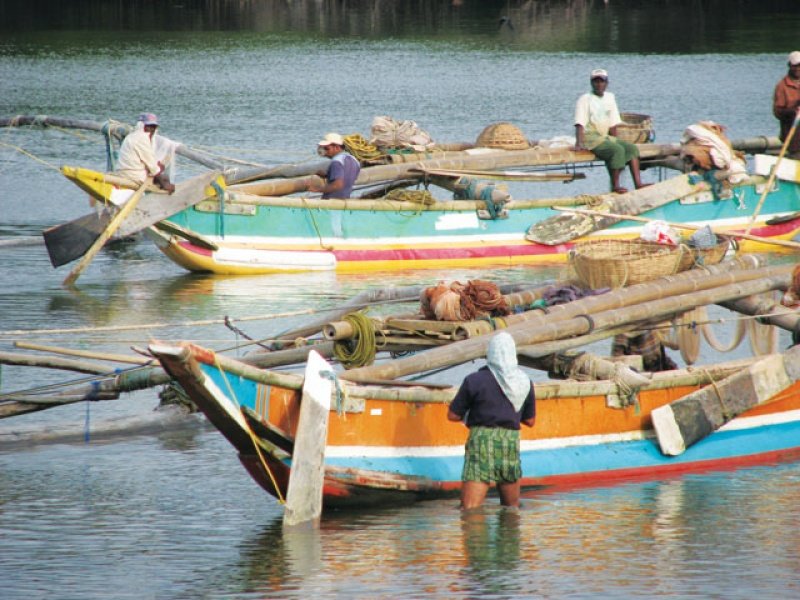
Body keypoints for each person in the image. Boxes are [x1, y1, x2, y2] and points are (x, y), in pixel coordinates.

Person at [447, 332, 536, 509]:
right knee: (511, 509)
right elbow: (530, 420)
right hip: (509, 444)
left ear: (490, 354)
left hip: (482, 444)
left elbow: (452, 415)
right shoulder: (525, 382)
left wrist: (470, 415)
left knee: (470, 510)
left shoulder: (474, 380)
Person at [574, 68, 648, 194]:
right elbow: (579, 123)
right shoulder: (585, 99)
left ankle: (638, 183)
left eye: (602, 81)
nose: (599, 84)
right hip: (590, 137)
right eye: (596, 82)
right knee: (616, 150)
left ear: (606, 83)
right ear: (591, 83)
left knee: (631, 148)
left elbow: (613, 123)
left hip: (604, 136)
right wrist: (579, 143)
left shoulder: (610, 97)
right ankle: (615, 186)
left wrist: (616, 140)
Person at [114, 112, 175, 193]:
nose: (151, 130)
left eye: (153, 127)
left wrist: (158, 168)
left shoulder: (132, 136)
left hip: (124, 173)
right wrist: (165, 185)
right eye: (148, 127)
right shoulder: (142, 138)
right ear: (142, 126)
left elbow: (147, 162)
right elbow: (152, 167)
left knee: (160, 173)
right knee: (165, 178)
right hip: (133, 176)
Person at [308, 133, 360, 198]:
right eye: (323, 148)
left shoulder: (336, 162)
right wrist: (327, 175)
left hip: (331, 202)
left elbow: (337, 185)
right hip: (344, 201)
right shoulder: (354, 160)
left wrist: (317, 189)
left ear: (336, 147)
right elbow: (346, 178)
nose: (324, 151)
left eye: (326, 148)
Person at [773, 51, 800, 159]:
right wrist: (793, 111)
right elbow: (778, 112)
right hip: (793, 136)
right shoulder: (782, 86)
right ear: (789, 66)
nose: (798, 68)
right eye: (795, 66)